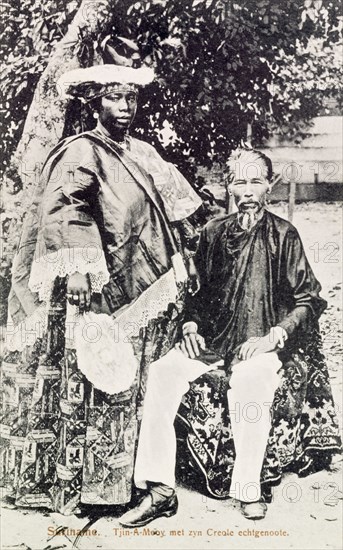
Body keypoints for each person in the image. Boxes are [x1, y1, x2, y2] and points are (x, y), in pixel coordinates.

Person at [0, 37, 202, 515]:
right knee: (92, 381)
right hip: (89, 287)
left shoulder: (143, 153)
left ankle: (127, 482)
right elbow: (67, 209)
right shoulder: (81, 153)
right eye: (114, 96)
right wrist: (77, 268)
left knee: (129, 385)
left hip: (143, 286)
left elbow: (175, 208)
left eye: (131, 97)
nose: (125, 106)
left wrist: (183, 250)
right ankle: (83, 489)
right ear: (95, 102)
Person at [119, 148, 341, 526]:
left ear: (269, 186)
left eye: (256, 181)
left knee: (251, 382)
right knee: (162, 373)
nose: (248, 190)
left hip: (262, 340)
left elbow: (308, 299)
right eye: (240, 181)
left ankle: (249, 488)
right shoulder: (212, 233)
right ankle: (159, 489)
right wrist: (190, 325)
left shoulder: (285, 235)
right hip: (214, 340)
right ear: (229, 187)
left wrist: (275, 335)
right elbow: (197, 295)